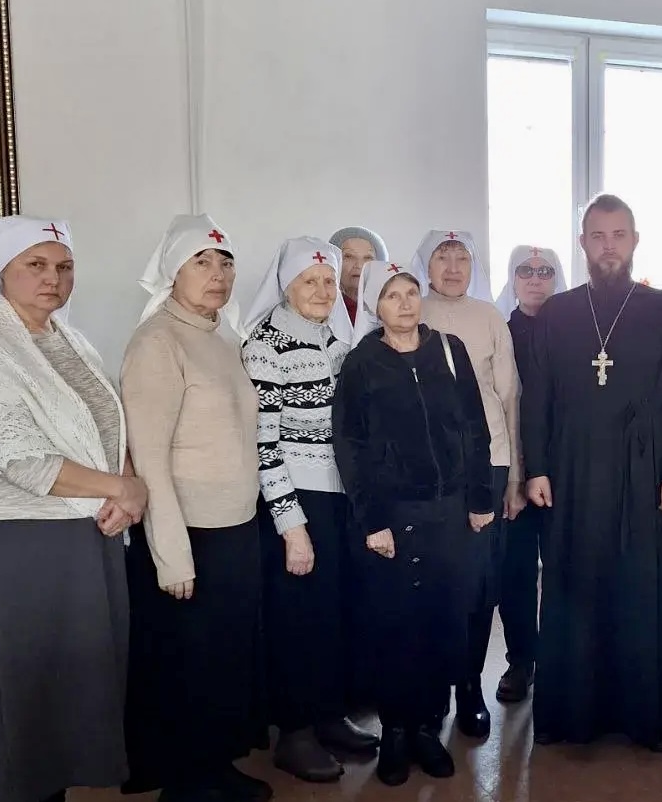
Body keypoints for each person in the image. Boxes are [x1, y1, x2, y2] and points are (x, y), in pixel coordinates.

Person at [0, 217, 144, 802]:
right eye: (36, 265)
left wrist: (124, 485)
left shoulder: (70, 338)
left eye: (64, 266)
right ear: (3, 271)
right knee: (19, 705)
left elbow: (106, 429)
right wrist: (123, 488)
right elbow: (19, 459)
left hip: (81, 538)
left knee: (63, 704)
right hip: (19, 543)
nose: (53, 278)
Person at [521, 193, 662, 752]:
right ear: (583, 243)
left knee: (639, 591)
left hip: (643, 474)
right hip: (571, 472)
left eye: (618, 235)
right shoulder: (557, 313)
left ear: (635, 241)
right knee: (573, 588)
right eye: (597, 236)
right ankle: (568, 715)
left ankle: (644, 717)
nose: (608, 246)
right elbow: (536, 398)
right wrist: (536, 468)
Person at [120, 214, 268, 802]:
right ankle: (189, 784)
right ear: (172, 273)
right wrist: (172, 554)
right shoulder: (157, 342)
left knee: (223, 659)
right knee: (190, 666)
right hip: (189, 534)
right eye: (201, 262)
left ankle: (213, 768)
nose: (218, 274)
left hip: (234, 527)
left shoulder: (220, 337)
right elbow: (149, 457)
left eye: (226, 263)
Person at [333, 262, 494, 786]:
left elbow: (475, 426)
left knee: (442, 620)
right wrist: (372, 520)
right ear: (374, 307)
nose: (404, 304)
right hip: (393, 515)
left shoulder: (448, 349)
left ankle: (427, 727)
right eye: (391, 296)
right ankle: (396, 732)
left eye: (410, 293)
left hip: (448, 510)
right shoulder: (361, 363)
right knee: (395, 625)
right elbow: (351, 447)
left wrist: (480, 496)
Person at [240, 237, 379, 783]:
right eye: (309, 281)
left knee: (332, 612)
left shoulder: (334, 340)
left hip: (338, 497)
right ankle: (294, 733)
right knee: (296, 618)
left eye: (327, 281)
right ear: (286, 286)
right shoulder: (265, 345)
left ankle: (327, 713)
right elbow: (263, 445)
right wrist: (291, 526)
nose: (322, 291)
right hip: (294, 503)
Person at [410, 229, 520, 738]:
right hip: (428, 472)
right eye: (442, 257)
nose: (453, 268)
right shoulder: (410, 311)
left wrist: (515, 474)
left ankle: (470, 686)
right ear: (425, 265)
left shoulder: (489, 316)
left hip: (487, 465)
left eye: (462, 258)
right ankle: (433, 688)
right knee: (435, 582)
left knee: (479, 583)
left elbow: (510, 398)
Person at [492, 244, 568, 703]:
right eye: (526, 271)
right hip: (516, 474)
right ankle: (521, 660)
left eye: (545, 271)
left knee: (566, 569)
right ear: (512, 279)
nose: (536, 279)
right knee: (515, 572)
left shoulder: (578, 331)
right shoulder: (500, 332)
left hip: (566, 472)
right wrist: (513, 476)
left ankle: (562, 658)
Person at [329, 226, 389, 324]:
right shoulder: (322, 306)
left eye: (368, 258)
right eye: (349, 256)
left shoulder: (389, 308)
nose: (359, 265)